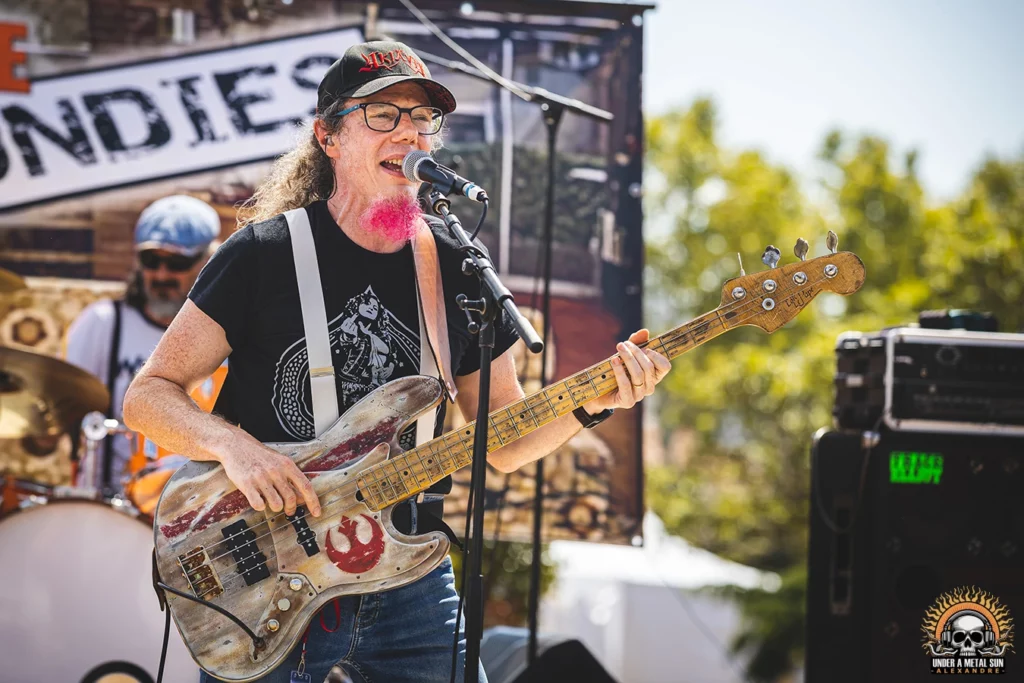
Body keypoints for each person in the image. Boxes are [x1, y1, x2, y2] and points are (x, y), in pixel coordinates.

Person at [122, 40, 671, 683]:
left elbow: (503, 439)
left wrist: (596, 399)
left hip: (408, 573)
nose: (408, 132)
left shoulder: (457, 267)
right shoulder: (264, 255)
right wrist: (235, 448)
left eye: (420, 118)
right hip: (275, 568)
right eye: (383, 115)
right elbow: (148, 395)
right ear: (329, 136)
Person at [65, 194, 222, 492]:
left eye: (177, 262)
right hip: (113, 502)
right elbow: (64, 409)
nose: (161, 274)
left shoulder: (231, 332)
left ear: (209, 261)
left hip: (205, 498)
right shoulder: (102, 323)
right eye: (152, 261)